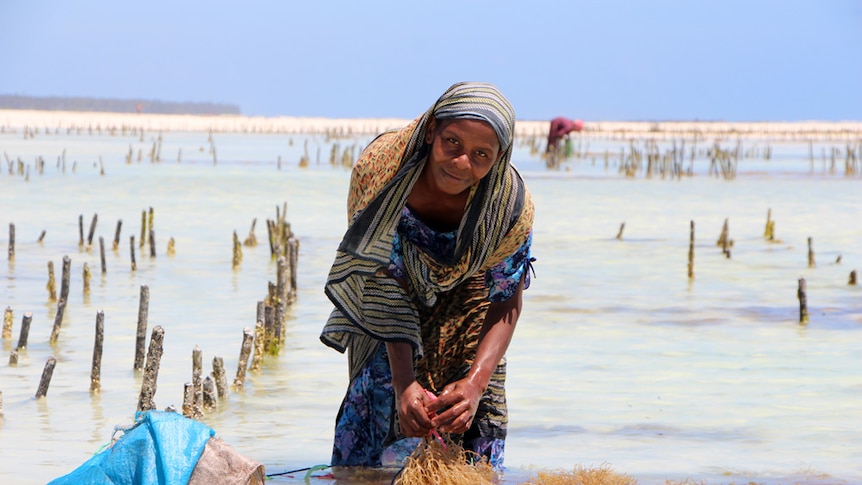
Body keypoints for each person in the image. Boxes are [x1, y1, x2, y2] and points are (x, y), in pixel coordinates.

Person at [320, 81, 534, 472]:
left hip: (472, 302)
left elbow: (505, 299)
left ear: (500, 157)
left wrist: (474, 384)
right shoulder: (382, 172)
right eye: (452, 142)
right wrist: (404, 385)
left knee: (470, 439)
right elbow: (383, 279)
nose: (461, 163)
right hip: (387, 297)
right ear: (433, 128)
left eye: (481, 154)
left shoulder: (509, 210)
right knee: (374, 436)